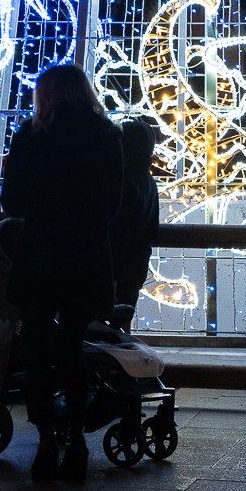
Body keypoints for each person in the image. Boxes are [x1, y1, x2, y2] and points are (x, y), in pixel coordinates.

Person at [0, 63, 123, 483]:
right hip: (85, 256)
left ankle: (46, 439)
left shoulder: (32, 136)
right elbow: (113, 205)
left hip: (40, 255)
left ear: (45, 95)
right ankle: (77, 435)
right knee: (72, 344)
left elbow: (12, 200)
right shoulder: (108, 136)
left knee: (35, 345)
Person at [109, 120, 160, 332]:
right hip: (137, 261)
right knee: (123, 319)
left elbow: (115, 221)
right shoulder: (148, 182)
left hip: (114, 263)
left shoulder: (121, 180)